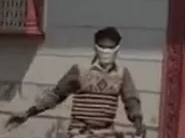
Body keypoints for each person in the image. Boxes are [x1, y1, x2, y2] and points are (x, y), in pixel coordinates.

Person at [5, 27, 144, 137]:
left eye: (110, 47)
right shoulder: (80, 70)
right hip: (80, 132)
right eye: (103, 46)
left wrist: (138, 122)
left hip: (106, 133)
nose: (106, 50)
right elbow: (56, 95)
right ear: (95, 47)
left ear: (117, 48)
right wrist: (29, 112)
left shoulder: (121, 74)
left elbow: (131, 99)